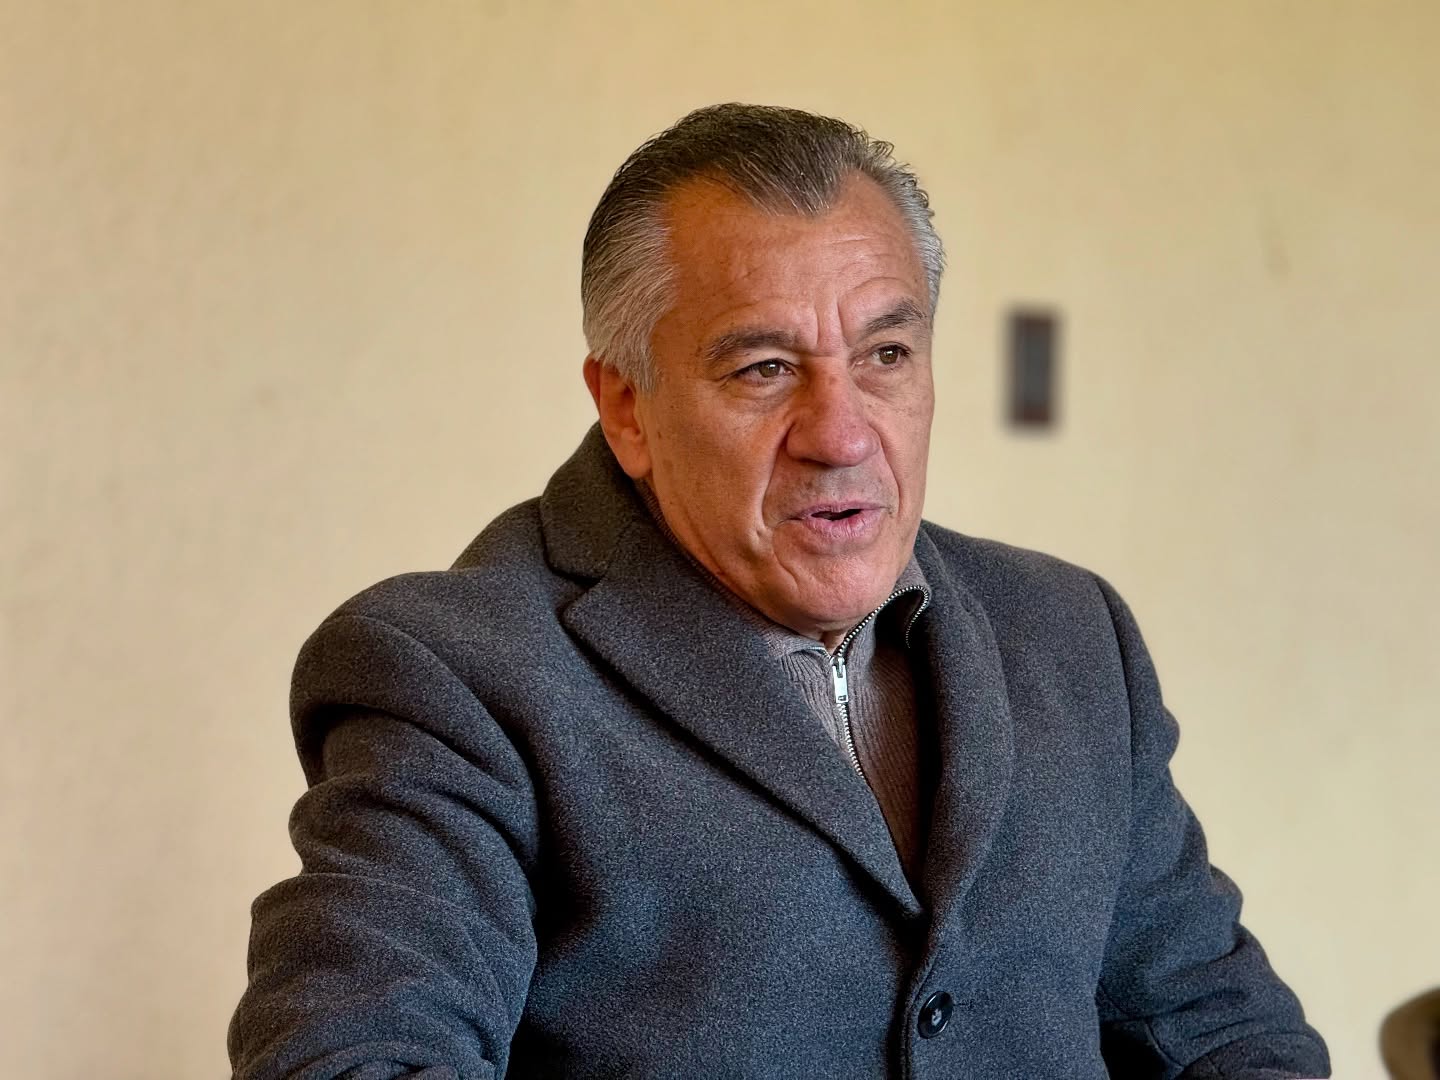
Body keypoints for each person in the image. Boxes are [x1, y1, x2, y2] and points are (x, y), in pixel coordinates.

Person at [229, 104, 1330, 1079]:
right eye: (763, 369)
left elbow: (1222, 1034)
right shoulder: (452, 671)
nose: (841, 434)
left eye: (886, 354)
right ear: (626, 407)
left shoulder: (1071, 633)